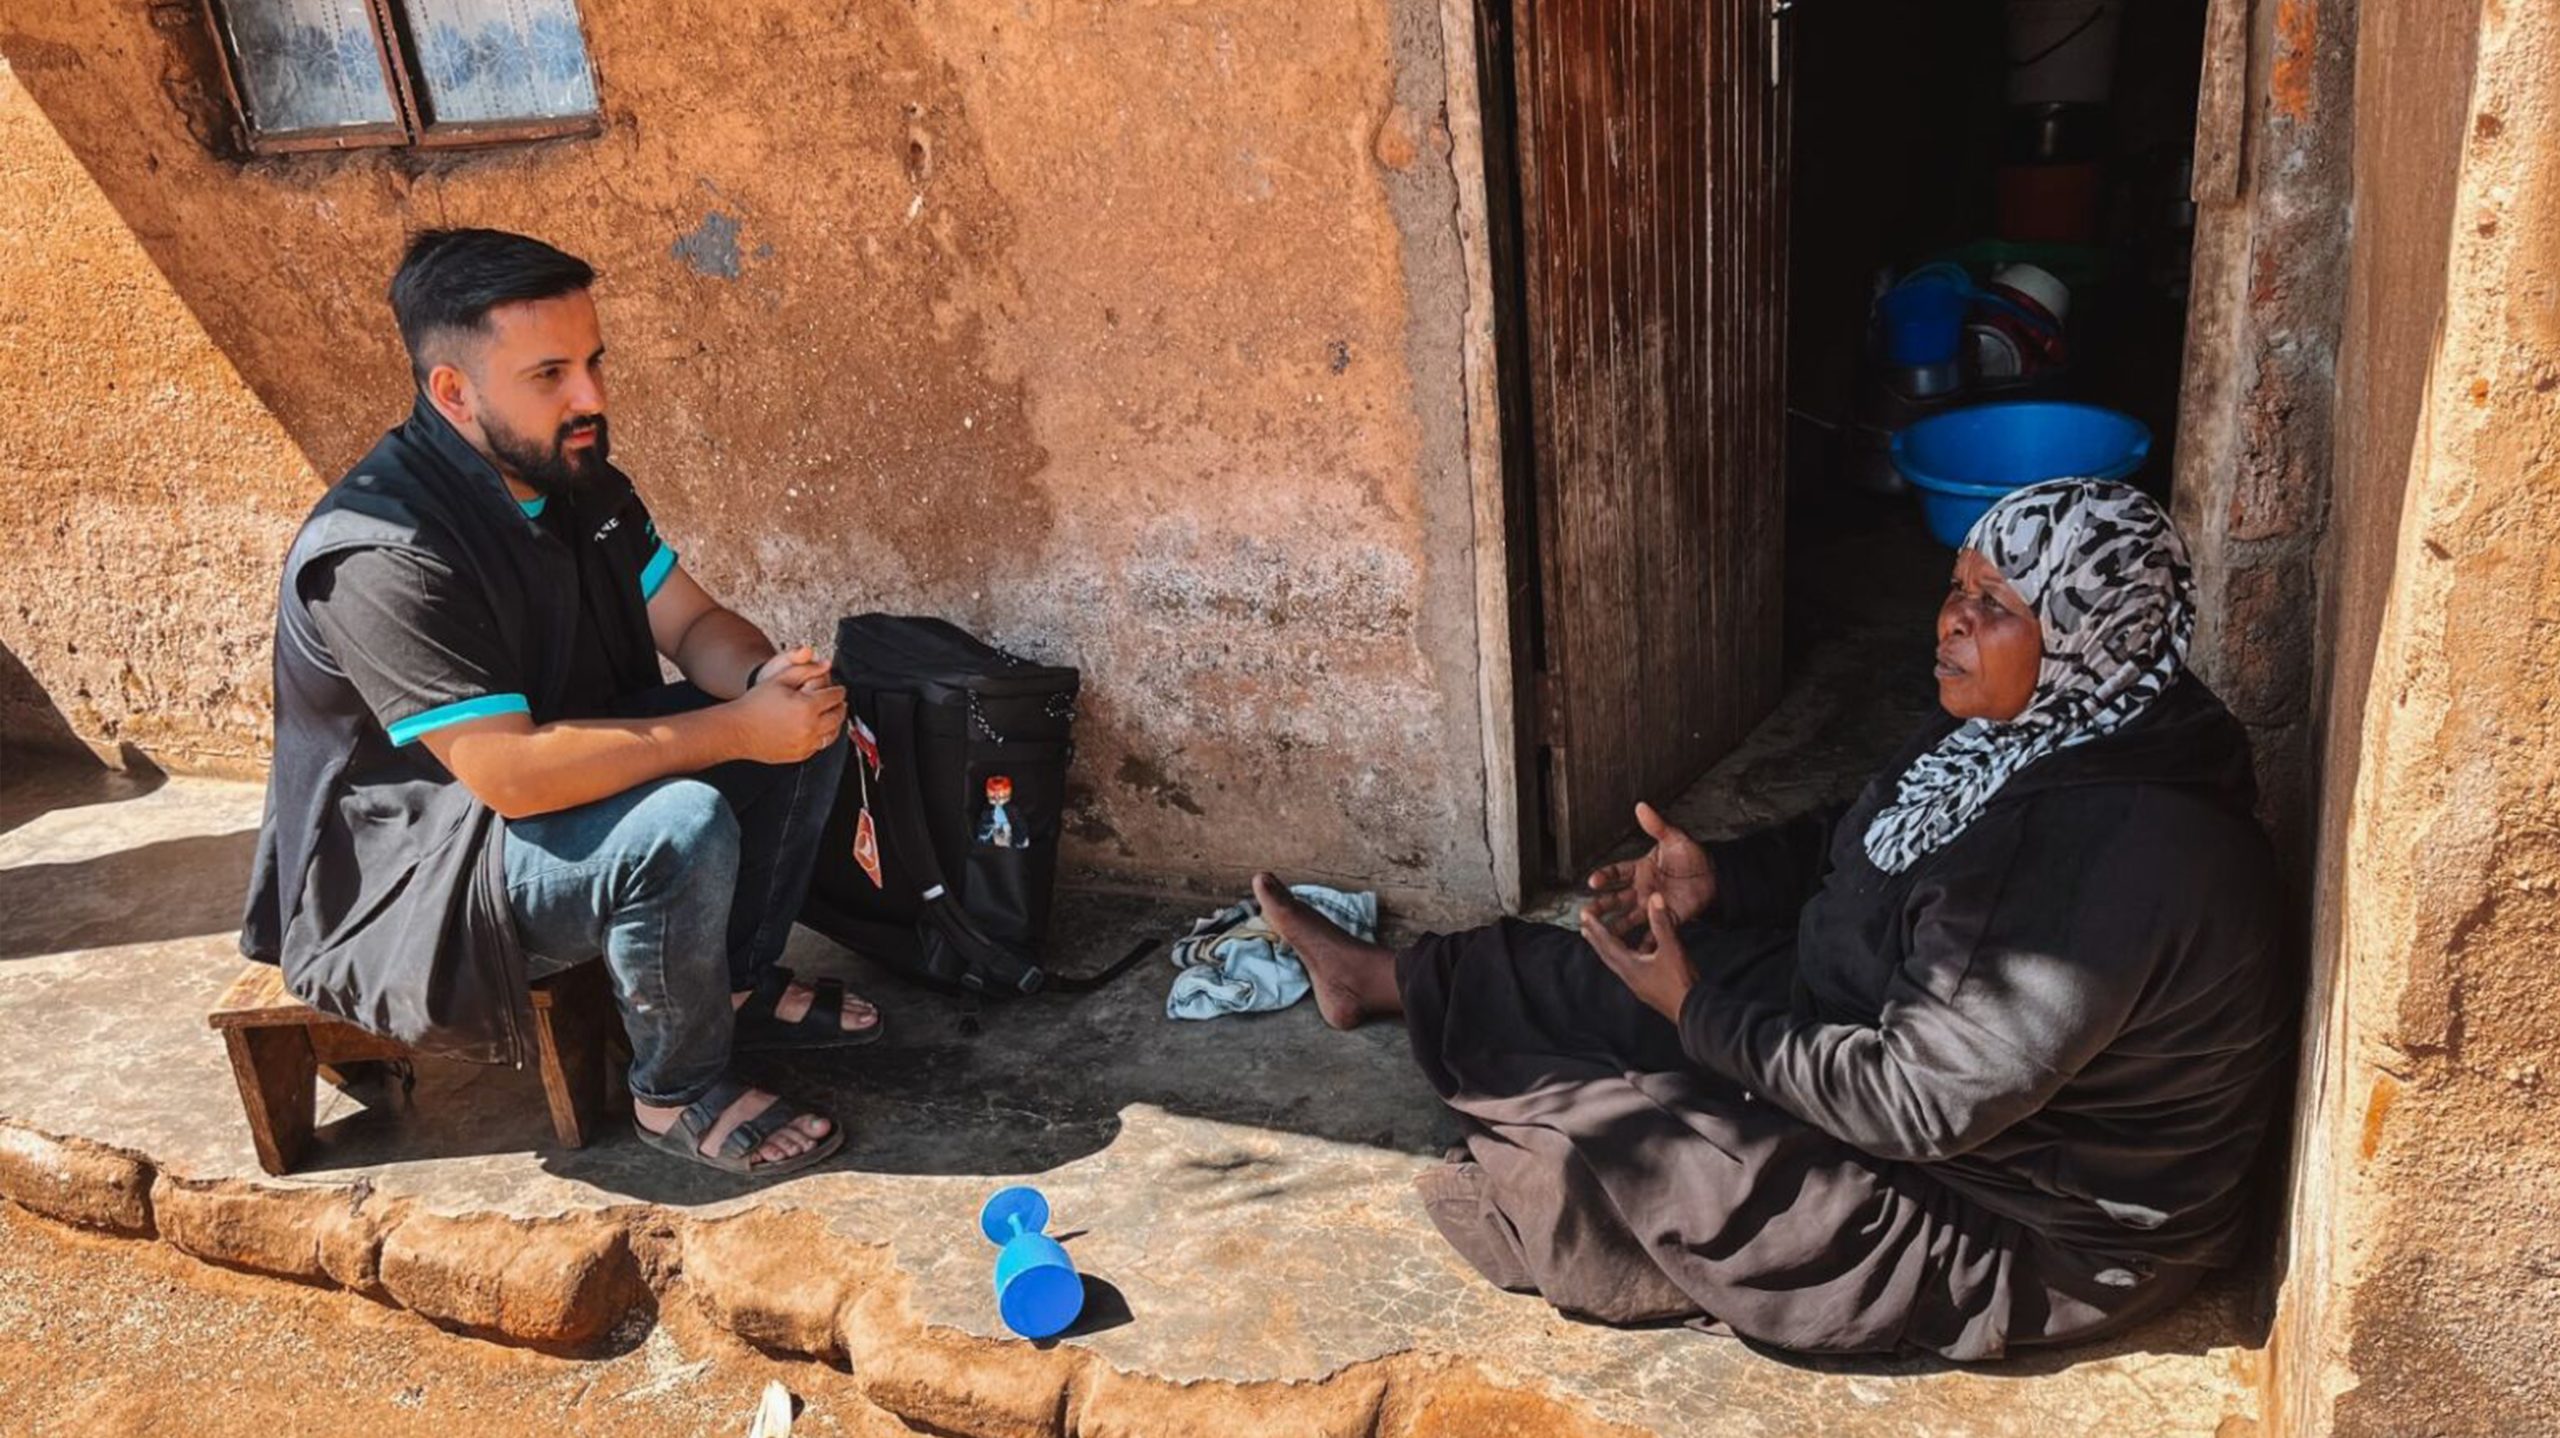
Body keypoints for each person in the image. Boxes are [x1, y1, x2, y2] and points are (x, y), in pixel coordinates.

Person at [1254, 478, 2294, 1359]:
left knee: (1616, 1146)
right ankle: (1382, 979)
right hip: (1911, 1051)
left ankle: (1617, 1086)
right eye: (1956, 590)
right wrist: (1726, 878)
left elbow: (1912, 1105)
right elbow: (1868, 834)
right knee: (1612, 966)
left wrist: (1699, 1012)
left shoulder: (2112, 851)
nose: (1952, 622)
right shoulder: (2057, 726)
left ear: (2089, 631)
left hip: (2026, 1224)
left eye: (1997, 606)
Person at [241, 229, 879, 1179]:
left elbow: (695, 622)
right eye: (551, 375)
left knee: (807, 728)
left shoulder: (576, 481)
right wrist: (735, 729)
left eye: (592, 362)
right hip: (416, 873)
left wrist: (763, 685)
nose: (592, 399)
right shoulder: (381, 550)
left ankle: (732, 984)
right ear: (453, 391)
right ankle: (675, 1090)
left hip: (542, 798)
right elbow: (510, 773)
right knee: (681, 823)